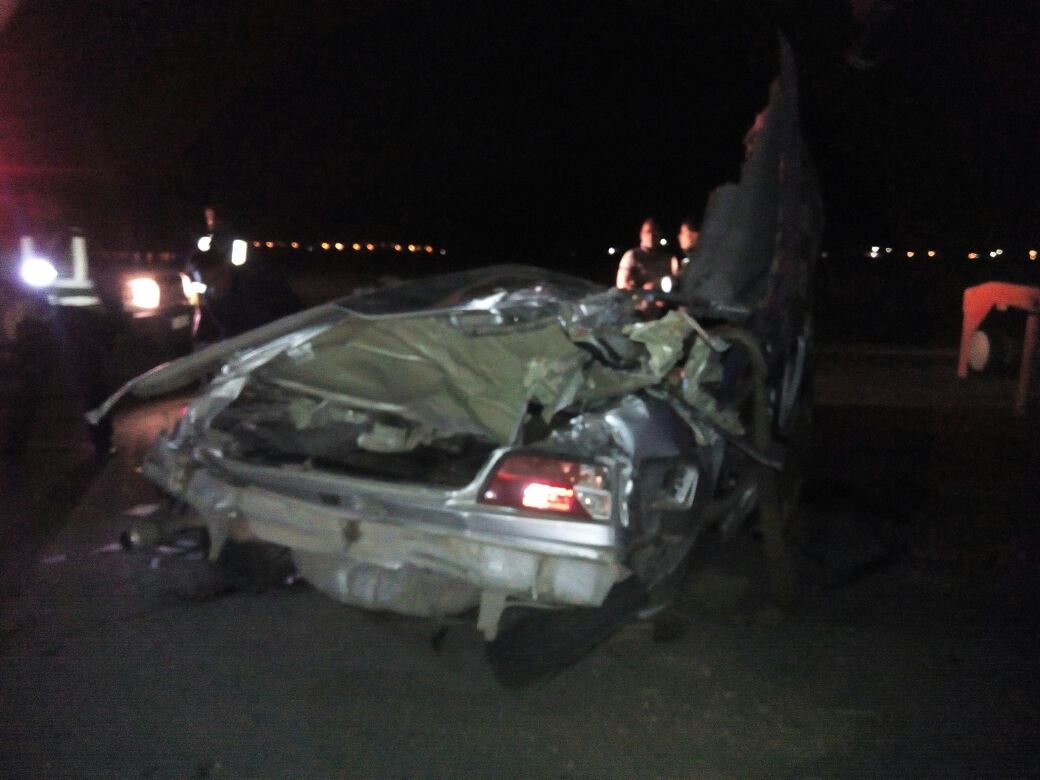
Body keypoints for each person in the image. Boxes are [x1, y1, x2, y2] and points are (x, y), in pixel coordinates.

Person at [615, 217, 674, 290]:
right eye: (648, 232)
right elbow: (621, 284)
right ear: (641, 235)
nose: (651, 236)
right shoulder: (632, 255)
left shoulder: (667, 258)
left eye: (655, 232)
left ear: (660, 235)